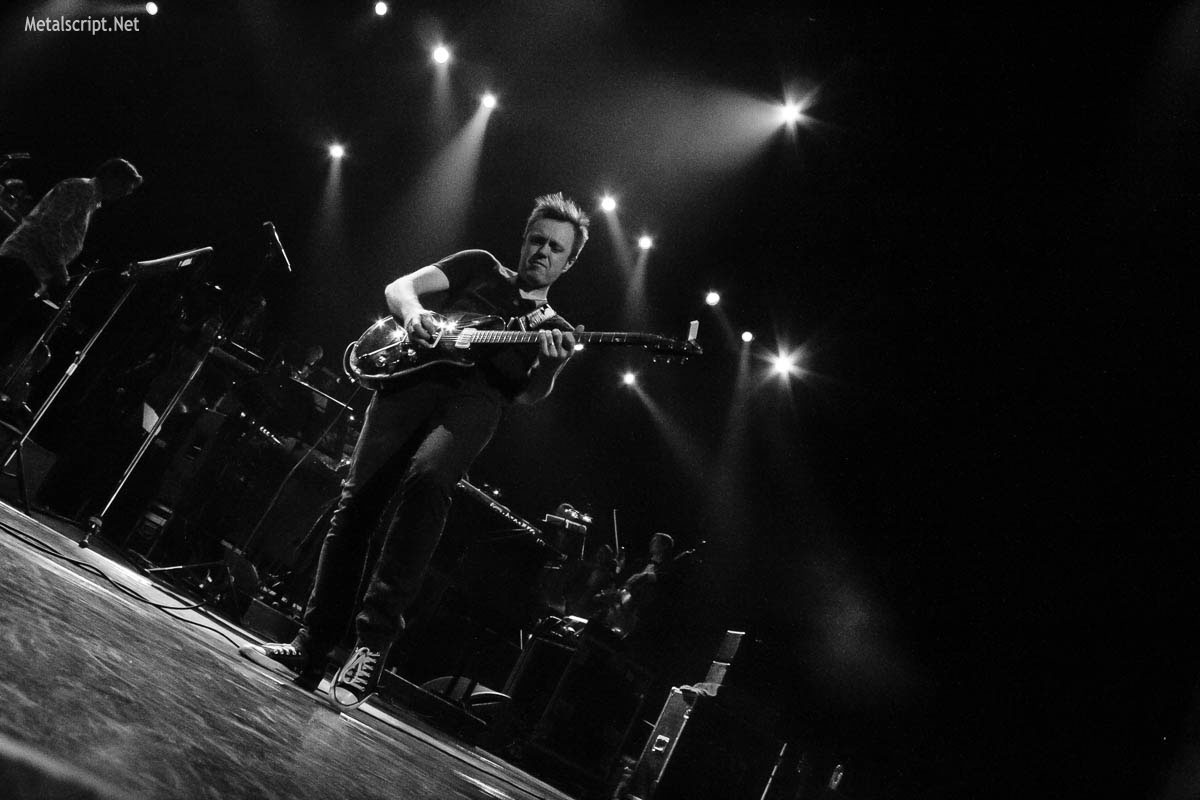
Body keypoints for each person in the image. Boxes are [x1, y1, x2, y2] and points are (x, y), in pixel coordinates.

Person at [240, 193, 588, 709]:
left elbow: (529, 395)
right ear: (523, 240)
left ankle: (372, 647)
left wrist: (553, 366)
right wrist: (414, 316)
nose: (542, 252)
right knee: (355, 507)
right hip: (409, 387)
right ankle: (311, 645)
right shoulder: (478, 266)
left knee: (429, 479)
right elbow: (399, 288)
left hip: (475, 404)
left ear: (569, 262)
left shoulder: (552, 327)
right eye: (537, 240)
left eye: (555, 248)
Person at [0, 159, 143, 419]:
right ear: (111, 176)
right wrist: (59, 267)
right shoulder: (81, 190)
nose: (125, 194)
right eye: (125, 187)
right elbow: (50, 225)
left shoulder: (89, 199)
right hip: (22, 262)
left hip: (32, 269)